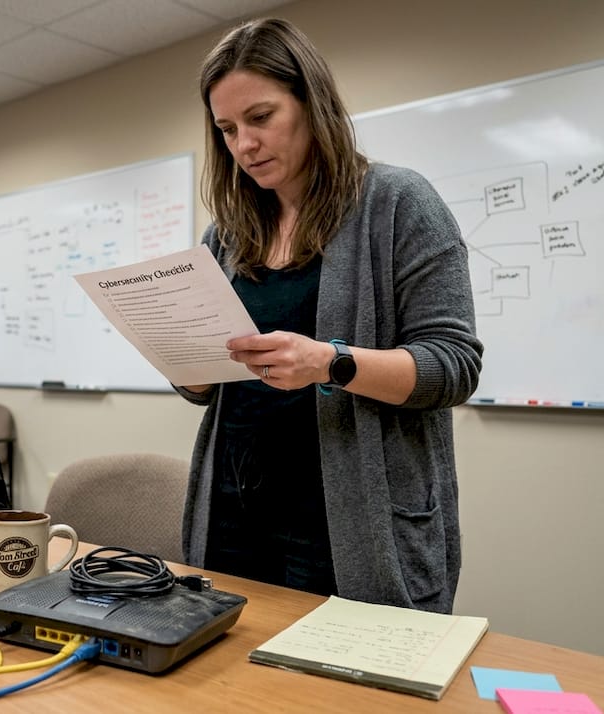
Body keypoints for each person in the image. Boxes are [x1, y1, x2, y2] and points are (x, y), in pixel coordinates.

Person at [176, 18, 483, 614]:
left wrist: (329, 362)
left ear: (312, 104)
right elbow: (205, 388)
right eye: (228, 129)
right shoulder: (227, 235)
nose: (244, 145)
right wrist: (187, 367)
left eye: (261, 118)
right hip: (234, 513)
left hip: (349, 521)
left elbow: (454, 366)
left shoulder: (397, 204)